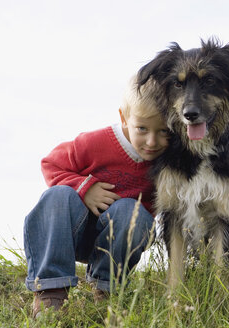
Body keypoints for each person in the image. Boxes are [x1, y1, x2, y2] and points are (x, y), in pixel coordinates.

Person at [23, 78, 169, 318]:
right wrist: (84, 187)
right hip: (69, 233)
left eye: (163, 131)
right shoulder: (95, 143)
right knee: (58, 195)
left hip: (115, 244)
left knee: (131, 211)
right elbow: (50, 163)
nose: (152, 142)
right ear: (124, 118)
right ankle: (51, 290)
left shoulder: (167, 162)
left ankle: (106, 289)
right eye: (142, 129)